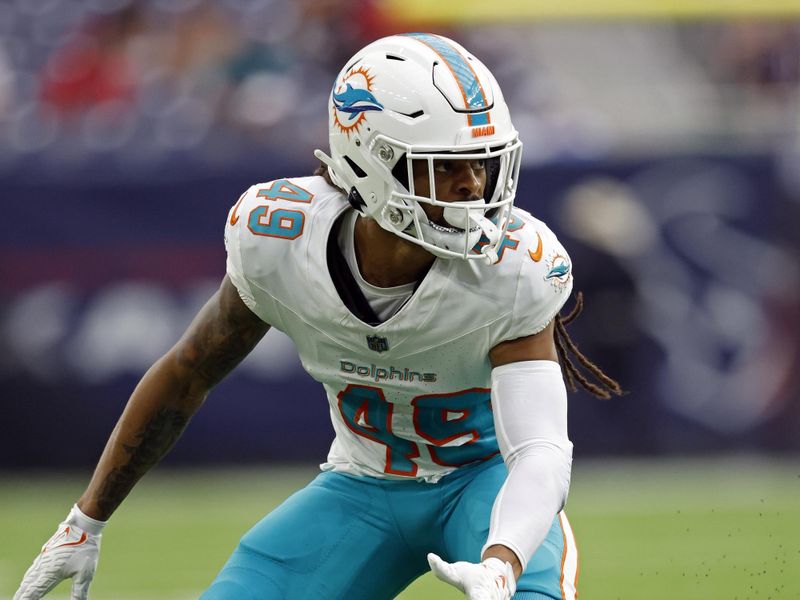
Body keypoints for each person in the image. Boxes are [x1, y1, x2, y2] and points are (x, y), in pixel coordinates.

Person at [15, 33, 620, 600]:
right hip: (361, 488)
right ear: (372, 163)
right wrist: (84, 520)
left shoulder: (513, 265)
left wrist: (502, 561)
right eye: (444, 165)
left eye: (481, 163)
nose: (472, 187)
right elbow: (187, 373)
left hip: (484, 487)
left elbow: (539, 450)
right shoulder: (279, 239)